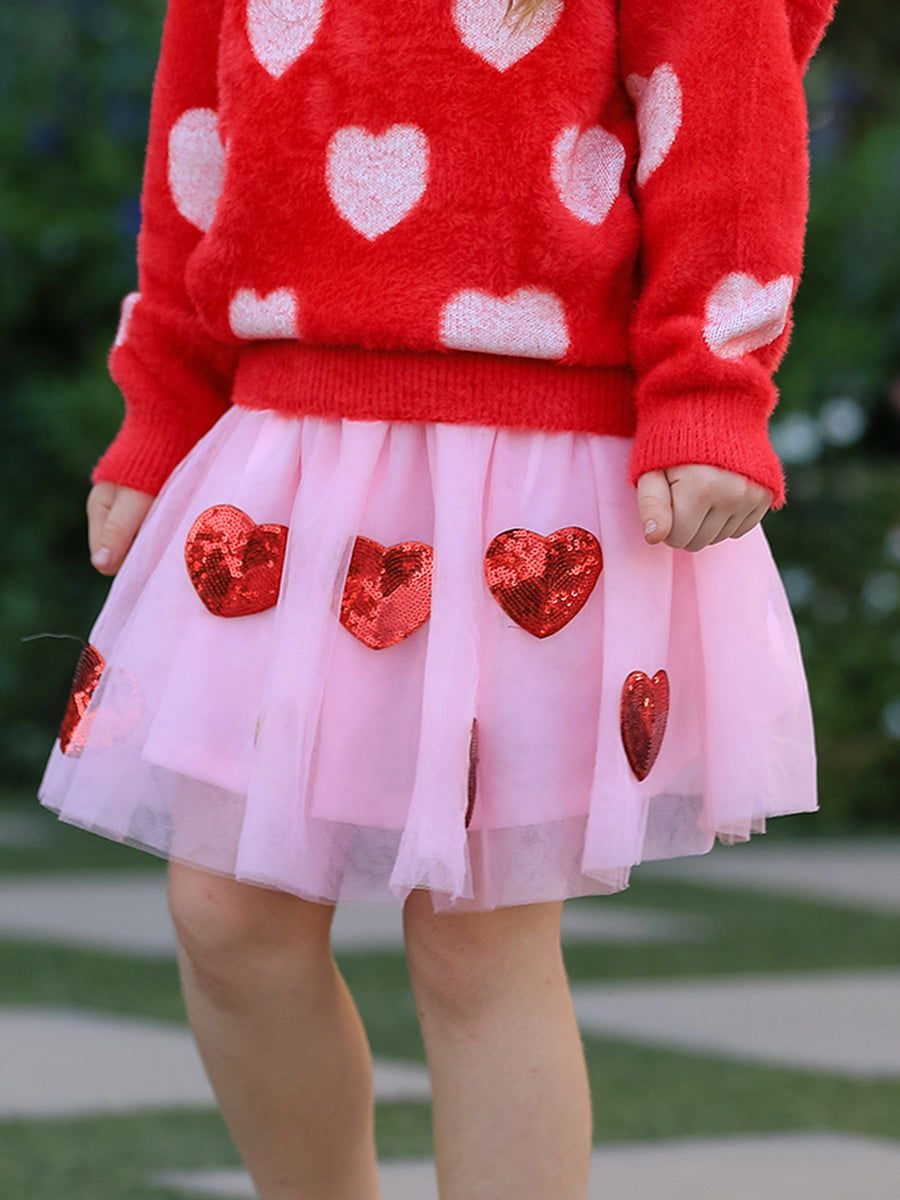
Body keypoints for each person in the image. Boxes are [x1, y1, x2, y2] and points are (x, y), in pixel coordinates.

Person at [41, 0, 837, 1195]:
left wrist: (711, 389)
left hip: (530, 468)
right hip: (285, 456)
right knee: (226, 918)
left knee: (478, 939)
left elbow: (724, 118)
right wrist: (163, 403)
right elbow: (197, 147)